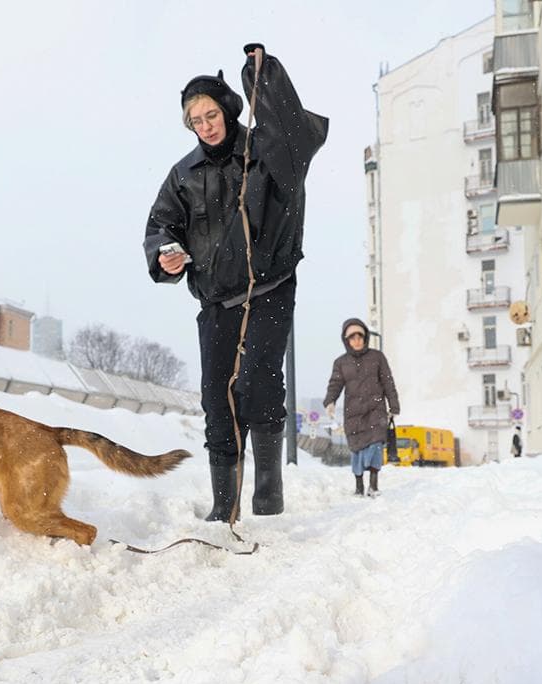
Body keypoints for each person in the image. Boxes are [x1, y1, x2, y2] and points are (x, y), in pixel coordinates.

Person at [143, 43, 328, 521]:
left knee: (256, 383)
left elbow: (294, 134)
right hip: (216, 299)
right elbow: (162, 225)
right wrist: (165, 253)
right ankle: (224, 504)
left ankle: (268, 488)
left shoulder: (267, 153)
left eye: (210, 114)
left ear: (227, 109)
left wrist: (262, 77)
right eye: (194, 121)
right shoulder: (183, 174)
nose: (204, 125)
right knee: (216, 399)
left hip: (269, 287)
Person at [322, 319, 400, 496]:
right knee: (357, 449)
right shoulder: (341, 362)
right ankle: (359, 486)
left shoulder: (377, 357)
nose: (357, 340)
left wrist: (394, 406)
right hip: (353, 414)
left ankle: (373, 485)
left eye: (360, 336)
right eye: (352, 337)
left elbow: (388, 382)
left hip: (376, 411)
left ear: (365, 337)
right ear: (346, 340)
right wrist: (330, 401)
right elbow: (335, 384)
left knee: (375, 447)